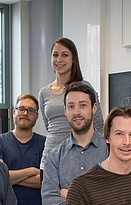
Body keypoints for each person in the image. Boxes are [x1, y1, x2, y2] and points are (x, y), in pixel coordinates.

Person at [41, 82, 109, 205]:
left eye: (82, 105)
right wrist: (92, 201)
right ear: (65, 111)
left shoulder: (110, 151)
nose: (76, 111)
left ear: (94, 108)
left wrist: (69, 193)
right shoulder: (55, 156)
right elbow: (48, 202)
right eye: (71, 106)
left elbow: (117, 199)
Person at [0, 94, 49, 205]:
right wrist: (32, 171)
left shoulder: (45, 143)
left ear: (37, 116)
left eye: (31, 110)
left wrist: (11, 176)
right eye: (21, 109)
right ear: (13, 112)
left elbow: (45, 182)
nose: (25, 113)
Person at [38, 37, 104, 170]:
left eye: (65, 55)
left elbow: (99, 125)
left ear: (73, 59)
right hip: (49, 159)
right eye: (55, 55)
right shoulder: (44, 92)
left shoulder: (85, 88)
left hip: (79, 160)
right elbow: (49, 127)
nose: (59, 60)